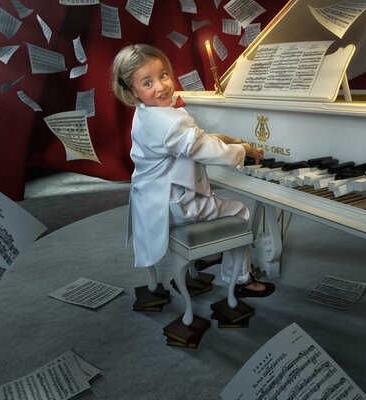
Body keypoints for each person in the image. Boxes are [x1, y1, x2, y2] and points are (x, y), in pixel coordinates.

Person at [111, 44, 274, 298]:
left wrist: (230, 140)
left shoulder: (145, 114)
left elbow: (194, 140)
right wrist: (243, 151)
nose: (161, 86)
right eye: (148, 83)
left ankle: (210, 253)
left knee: (220, 206)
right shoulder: (171, 122)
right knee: (240, 212)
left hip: (150, 202)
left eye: (163, 75)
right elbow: (204, 148)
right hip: (175, 206)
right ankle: (240, 278)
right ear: (133, 90)